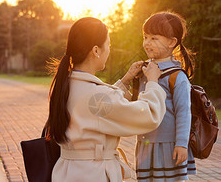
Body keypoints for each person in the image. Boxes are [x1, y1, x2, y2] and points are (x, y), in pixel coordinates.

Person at [46, 17, 167, 182]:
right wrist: (153, 82)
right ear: (96, 51)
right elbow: (148, 115)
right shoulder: (98, 95)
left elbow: (97, 107)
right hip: (94, 173)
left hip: (66, 171)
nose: (109, 50)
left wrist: (124, 81)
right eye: (108, 45)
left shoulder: (65, 86)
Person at [135, 12, 197, 181]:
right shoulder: (145, 72)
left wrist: (181, 144)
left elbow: (184, 112)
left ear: (171, 42)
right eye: (145, 37)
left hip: (169, 147)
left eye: (154, 38)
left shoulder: (177, 76)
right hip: (146, 144)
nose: (147, 43)